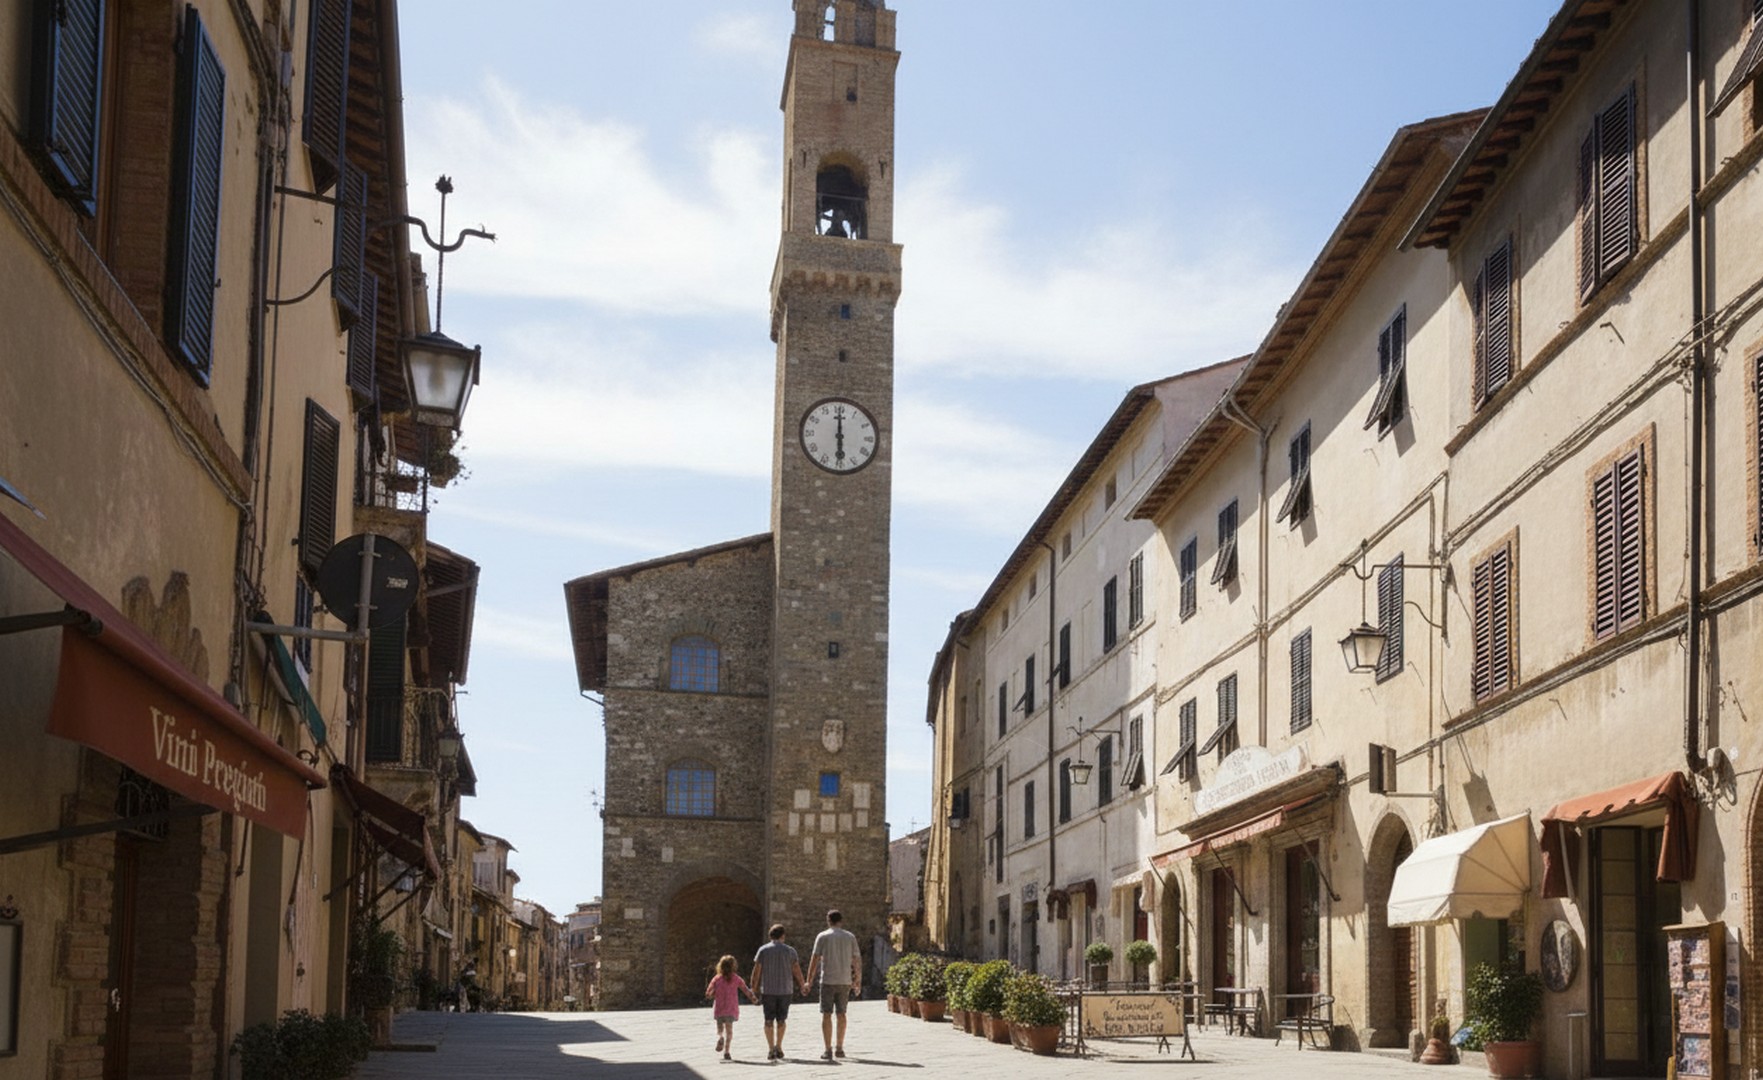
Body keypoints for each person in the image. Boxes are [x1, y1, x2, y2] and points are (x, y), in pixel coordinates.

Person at [803, 909, 861, 1062]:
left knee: (826, 1014)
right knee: (842, 1014)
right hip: (845, 980)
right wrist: (857, 980)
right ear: (841, 921)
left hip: (828, 980)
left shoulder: (822, 936)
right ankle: (840, 1048)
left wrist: (808, 980)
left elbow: (814, 960)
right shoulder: (850, 937)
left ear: (828, 921)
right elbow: (856, 960)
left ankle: (828, 1049)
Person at [751, 924, 808, 1061]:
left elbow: (757, 971)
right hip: (785, 990)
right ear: (783, 935)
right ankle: (779, 1046)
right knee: (782, 1020)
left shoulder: (763, 950)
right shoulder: (790, 951)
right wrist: (803, 984)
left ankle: (771, 1049)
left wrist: (753, 989)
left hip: (768, 991)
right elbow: (796, 970)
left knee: (768, 1020)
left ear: (770, 935)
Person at [705, 954, 758, 1062]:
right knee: (729, 1031)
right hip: (731, 1008)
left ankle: (720, 1037)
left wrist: (712, 994)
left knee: (720, 1029)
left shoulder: (716, 978)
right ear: (734, 966)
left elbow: (708, 993)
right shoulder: (736, 978)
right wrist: (753, 999)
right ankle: (727, 1051)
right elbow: (746, 989)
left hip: (719, 1008)